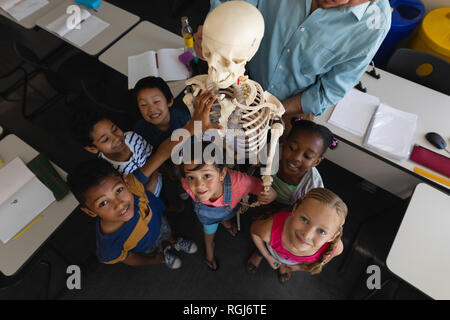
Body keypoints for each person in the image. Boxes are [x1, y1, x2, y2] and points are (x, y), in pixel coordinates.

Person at [67, 90, 221, 267]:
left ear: (125, 181)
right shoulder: (107, 246)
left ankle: (173, 240)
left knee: (165, 230)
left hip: (157, 221)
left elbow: (162, 153)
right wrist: (155, 259)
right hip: (146, 247)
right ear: (89, 211)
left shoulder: (132, 185)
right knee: (154, 245)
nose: (120, 203)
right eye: (103, 203)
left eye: (118, 191)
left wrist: (193, 125)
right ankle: (164, 255)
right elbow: (130, 258)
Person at [194, 0, 391, 119]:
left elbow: (329, 90)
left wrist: (272, 111)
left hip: (289, 108)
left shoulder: (374, 26)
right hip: (237, 79)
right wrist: (216, 35)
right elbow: (232, 6)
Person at [180, 140, 278, 271]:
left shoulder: (240, 182)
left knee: (224, 217)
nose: (198, 185)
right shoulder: (186, 184)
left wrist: (271, 195)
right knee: (208, 232)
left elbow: (264, 190)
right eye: (191, 177)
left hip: (227, 212)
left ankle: (224, 223)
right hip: (207, 219)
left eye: (207, 175)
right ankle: (210, 247)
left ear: (222, 174)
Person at [247, 188, 347, 283]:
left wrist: (295, 268)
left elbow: (321, 261)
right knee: (263, 250)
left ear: (332, 237)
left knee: (284, 262)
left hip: (291, 262)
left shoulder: (335, 248)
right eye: (304, 219)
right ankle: (259, 254)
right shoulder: (270, 229)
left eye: (322, 231)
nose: (307, 235)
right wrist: (267, 256)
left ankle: (283, 265)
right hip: (272, 250)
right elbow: (254, 231)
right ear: (295, 209)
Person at [133, 76, 193, 210]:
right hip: (164, 167)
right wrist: (165, 169)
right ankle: (180, 190)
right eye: (143, 105)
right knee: (173, 184)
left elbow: (195, 146)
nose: (151, 109)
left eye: (156, 101)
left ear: (170, 101)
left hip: (187, 160)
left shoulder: (184, 119)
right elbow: (148, 156)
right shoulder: (140, 130)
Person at [71, 110, 162, 196]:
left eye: (115, 129)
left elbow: (151, 153)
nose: (116, 138)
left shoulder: (132, 137)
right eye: (105, 139)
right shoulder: (106, 169)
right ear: (92, 149)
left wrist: (155, 177)